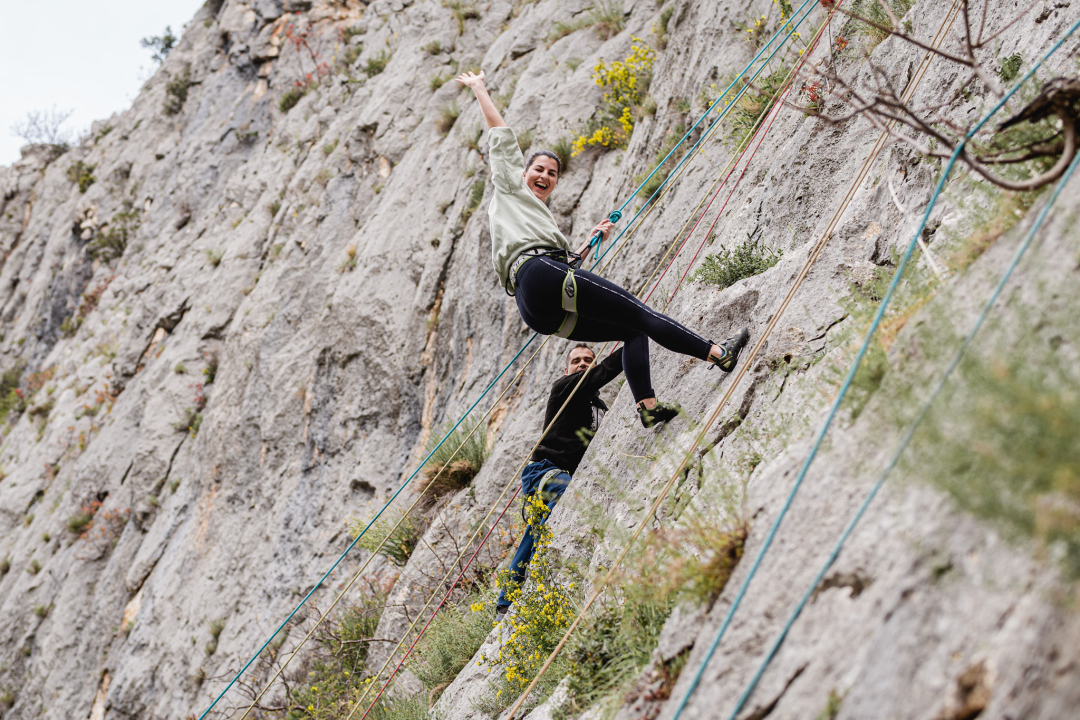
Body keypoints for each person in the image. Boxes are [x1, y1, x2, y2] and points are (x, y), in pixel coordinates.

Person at [455, 70, 750, 429]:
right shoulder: (509, 186)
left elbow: (558, 268)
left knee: (631, 330)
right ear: (521, 172)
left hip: (534, 306)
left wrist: (584, 244)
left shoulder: (529, 216)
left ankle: (648, 407)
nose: (545, 176)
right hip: (538, 275)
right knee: (641, 313)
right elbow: (499, 133)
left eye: (552, 174)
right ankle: (719, 353)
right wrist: (479, 88)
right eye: (538, 169)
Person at [495, 343, 624, 621]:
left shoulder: (595, 407)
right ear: (567, 370)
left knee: (536, 531)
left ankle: (505, 600)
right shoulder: (563, 387)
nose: (582, 364)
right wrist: (633, 344)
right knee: (569, 494)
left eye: (588, 360)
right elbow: (602, 373)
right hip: (544, 471)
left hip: (556, 473)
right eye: (576, 361)